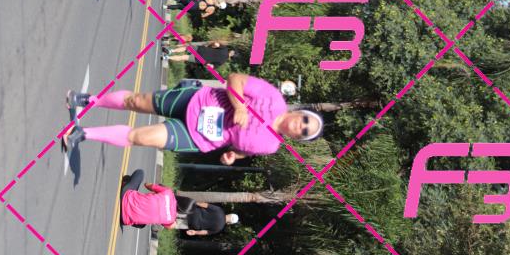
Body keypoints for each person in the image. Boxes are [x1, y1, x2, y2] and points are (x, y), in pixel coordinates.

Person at [63, 74, 324, 165]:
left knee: (142, 138)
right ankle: (88, 100)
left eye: (304, 131)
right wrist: (239, 105)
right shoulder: (274, 98)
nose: (299, 126)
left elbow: (244, 148)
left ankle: (83, 134)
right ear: (299, 113)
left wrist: (233, 155)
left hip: (200, 136)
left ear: (297, 138)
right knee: (136, 101)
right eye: (304, 120)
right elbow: (235, 79)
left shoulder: (271, 146)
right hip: (197, 101)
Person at [120, 169, 239, 235]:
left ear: (229, 215)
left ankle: (128, 186)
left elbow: (205, 205)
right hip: (191, 225)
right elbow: (206, 232)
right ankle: (155, 221)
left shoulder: (219, 211)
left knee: (140, 173)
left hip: (192, 212)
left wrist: (194, 203)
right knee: (167, 220)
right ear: (229, 223)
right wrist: (194, 232)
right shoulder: (219, 228)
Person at [163, 40, 236, 68]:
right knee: (184, 57)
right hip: (201, 59)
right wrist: (206, 63)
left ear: (231, 52)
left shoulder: (225, 49)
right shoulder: (222, 62)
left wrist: (212, 45)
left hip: (203, 50)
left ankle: (171, 51)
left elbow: (216, 44)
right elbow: (211, 66)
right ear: (231, 58)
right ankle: (167, 57)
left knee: (186, 48)